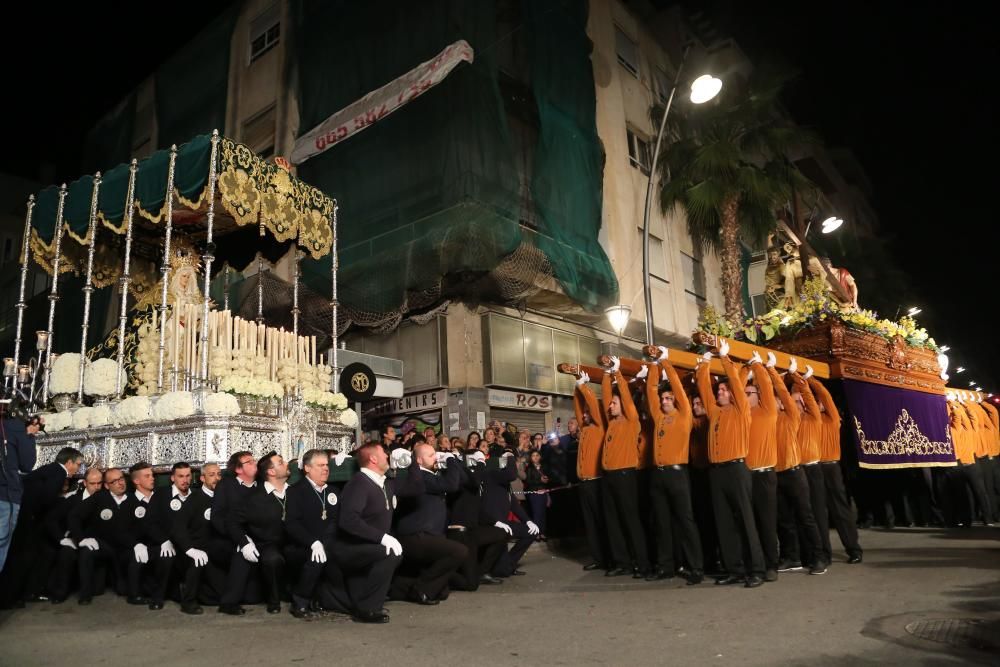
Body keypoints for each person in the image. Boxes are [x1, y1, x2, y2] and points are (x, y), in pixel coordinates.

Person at [695, 339, 764, 588]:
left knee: (745, 519)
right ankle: (734, 569)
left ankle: (755, 570)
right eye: (719, 391)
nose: (720, 393)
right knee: (724, 522)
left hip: (737, 469)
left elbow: (736, 384)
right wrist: (704, 361)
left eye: (724, 391)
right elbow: (704, 388)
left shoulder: (740, 409)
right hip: (717, 472)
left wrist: (725, 359)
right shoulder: (714, 412)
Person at [335, 442, 418, 623]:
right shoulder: (358, 484)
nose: (388, 456)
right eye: (384, 453)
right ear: (373, 458)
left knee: (393, 553)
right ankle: (367, 608)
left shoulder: (385, 483)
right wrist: (382, 537)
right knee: (389, 554)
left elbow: (416, 488)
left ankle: (365, 600)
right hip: (349, 548)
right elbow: (348, 520)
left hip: (370, 546)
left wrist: (412, 462)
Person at [642, 347, 702, 584]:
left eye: (668, 399)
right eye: (663, 398)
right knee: (662, 522)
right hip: (658, 475)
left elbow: (677, 386)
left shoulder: (684, 415)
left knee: (685, 521)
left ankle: (695, 568)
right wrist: (654, 365)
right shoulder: (659, 417)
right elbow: (650, 390)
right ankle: (666, 566)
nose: (665, 401)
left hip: (678, 474)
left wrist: (665, 361)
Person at [0, 442, 76, 607]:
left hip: (19, 513)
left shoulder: (48, 469)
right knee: (22, 559)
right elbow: (46, 499)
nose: (77, 468)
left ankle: (15, 595)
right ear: (69, 462)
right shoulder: (59, 473)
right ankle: (10, 598)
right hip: (28, 521)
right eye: (77, 464)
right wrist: (62, 501)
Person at [768, 365, 826, 576]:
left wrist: (792, 376)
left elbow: (787, 394)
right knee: (784, 520)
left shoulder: (791, 415)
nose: (772, 402)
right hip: (776, 474)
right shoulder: (768, 420)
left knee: (805, 516)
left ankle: (818, 558)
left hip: (794, 472)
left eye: (775, 400)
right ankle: (791, 557)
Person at [392, 444, 467, 604]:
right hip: (416, 536)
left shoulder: (432, 475)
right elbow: (451, 485)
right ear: (418, 460)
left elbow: (463, 480)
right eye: (431, 455)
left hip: (429, 535)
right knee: (459, 552)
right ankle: (421, 589)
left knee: (442, 592)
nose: (436, 458)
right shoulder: (421, 476)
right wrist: (451, 460)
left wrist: (451, 462)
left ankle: (401, 588)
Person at [284, 449, 351, 619]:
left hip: (328, 542)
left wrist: (326, 542)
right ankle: (300, 602)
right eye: (320, 465)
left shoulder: (333, 491)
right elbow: (292, 524)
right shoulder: (295, 491)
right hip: (303, 544)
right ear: (307, 468)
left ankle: (340, 602)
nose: (326, 469)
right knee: (315, 558)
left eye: (327, 465)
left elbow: (336, 521)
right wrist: (313, 542)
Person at [600, 356, 650, 578]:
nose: (610, 405)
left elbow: (627, 400)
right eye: (611, 403)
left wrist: (618, 374)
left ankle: (642, 563)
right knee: (613, 521)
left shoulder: (632, 421)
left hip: (625, 476)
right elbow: (604, 400)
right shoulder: (611, 424)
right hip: (609, 477)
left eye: (614, 403)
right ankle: (623, 563)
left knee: (631, 521)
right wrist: (604, 373)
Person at [227, 452, 291, 614]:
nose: (286, 464)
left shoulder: (296, 492)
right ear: (271, 472)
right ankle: (274, 600)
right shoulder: (254, 498)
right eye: (281, 462)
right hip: (269, 545)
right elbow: (233, 522)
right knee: (272, 559)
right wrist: (244, 542)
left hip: (294, 542)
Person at [810, 376, 863, 564]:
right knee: (819, 512)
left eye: (819, 401)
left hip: (832, 468)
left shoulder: (833, 419)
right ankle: (825, 553)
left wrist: (812, 381)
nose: (817, 404)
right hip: (815, 468)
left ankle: (853, 549)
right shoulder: (812, 421)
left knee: (840, 510)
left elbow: (826, 397)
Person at [741, 351, 779, 582]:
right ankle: (755, 563)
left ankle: (771, 565)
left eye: (749, 393)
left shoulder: (767, 411)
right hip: (746, 476)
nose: (745, 396)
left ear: (758, 395)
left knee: (766, 521)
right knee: (750, 523)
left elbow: (766, 386)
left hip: (765, 475)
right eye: (743, 393)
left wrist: (758, 366)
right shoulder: (740, 415)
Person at [170, 463, 230, 611]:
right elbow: (178, 528)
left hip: (216, 550)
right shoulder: (194, 499)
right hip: (196, 550)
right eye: (211, 475)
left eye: (218, 474)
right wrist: (190, 549)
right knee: (197, 561)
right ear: (202, 478)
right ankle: (188, 601)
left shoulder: (225, 497)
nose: (216, 478)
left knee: (221, 596)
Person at [68, 468, 132, 605]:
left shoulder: (132, 499)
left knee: (123, 591)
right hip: (104, 547)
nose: (120, 483)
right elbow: (74, 516)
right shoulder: (99, 498)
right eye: (115, 481)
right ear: (107, 485)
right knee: (87, 551)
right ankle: (85, 595)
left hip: (125, 550)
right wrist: (81, 539)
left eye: (121, 479)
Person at [480, 448, 538, 578]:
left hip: (504, 523)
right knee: (502, 571)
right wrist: (510, 457)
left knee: (531, 532)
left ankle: (510, 564)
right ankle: (503, 567)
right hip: (494, 523)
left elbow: (513, 504)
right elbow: (512, 475)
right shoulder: (492, 474)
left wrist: (528, 521)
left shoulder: (503, 481)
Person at [574, 372, 610, 571]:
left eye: (588, 413)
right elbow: (578, 409)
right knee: (590, 524)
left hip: (597, 481)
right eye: (585, 413)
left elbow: (594, 407)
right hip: (584, 482)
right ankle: (598, 558)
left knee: (601, 521)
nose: (585, 415)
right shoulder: (585, 429)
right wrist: (577, 387)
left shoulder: (599, 427)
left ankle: (608, 557)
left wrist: (584, 388)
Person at [215, 450, 258, 616]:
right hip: (229, 538)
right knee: (241, 552)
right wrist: (240, 539)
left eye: (254, 461)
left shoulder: (261, 486)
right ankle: (229, 602)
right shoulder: (226, 486)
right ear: (239, 469)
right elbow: (217, 517)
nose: (254, 463)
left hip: (257, 536)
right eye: (250, 462)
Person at [523, 450, 549, 541]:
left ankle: (543, 532)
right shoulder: (529, 468)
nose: (535, 457)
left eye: (537, 455)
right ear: (530, 458)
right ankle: (536, 533)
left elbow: (548, 478)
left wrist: (546, 480)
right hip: (534, 493)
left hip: (543, 492)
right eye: (533, 455)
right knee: (536, 513)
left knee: (543, 513)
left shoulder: (544, 467)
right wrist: (539, 480)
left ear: (540, 456)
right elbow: (528, 481)